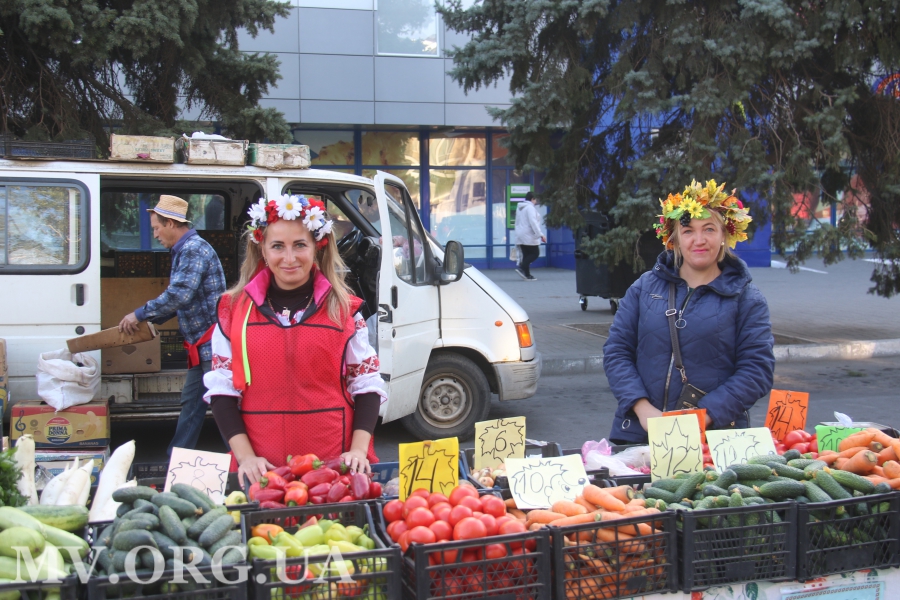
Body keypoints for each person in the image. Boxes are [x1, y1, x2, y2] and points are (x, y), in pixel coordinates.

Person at [204, 194, 386, 483]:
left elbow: (366, 385)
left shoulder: (344, 310)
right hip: (262, 470)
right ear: (262, 249)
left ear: (317, 247)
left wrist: (358, 450)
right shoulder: (234, 311)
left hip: (332, 466)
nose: (289, 258)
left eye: (300, 245)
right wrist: (246, 457)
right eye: (278, 246)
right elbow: (222, 392)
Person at [603, 180, 774, 444]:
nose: (699, 240)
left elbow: (756, 370)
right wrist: (642, 409)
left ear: (725, 235)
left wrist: (703, 416)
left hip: (712, 439)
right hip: (639, 434)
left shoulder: (746, 298)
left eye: (709, 229)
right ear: (675, 239)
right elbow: (616, 351)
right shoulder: (644, 287)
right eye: (688, 231)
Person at [118, 195, 226, 454]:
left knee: (222, 406)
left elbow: (180, 294)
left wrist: (140, 314)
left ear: (170, 223)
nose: (155, 234)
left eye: (156, 228)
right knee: (193, 404)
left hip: (210, 346)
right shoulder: (184, 250)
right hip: (201, 347)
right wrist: (152, 318)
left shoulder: (193, 249)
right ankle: (176, 459)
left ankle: (244, 461)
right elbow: (184, 298)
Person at [514, 191, 545, 281]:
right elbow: (533, 222)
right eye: (535, 199)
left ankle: (527, 275)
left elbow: (517, 222)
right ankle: (522, 268)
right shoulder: (530, 208)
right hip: (529, 235)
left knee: (526, 254)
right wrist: (540, 234)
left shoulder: (520, 208)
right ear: (532, 199)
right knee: (535, 253)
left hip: (520, 234)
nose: (536, 201)